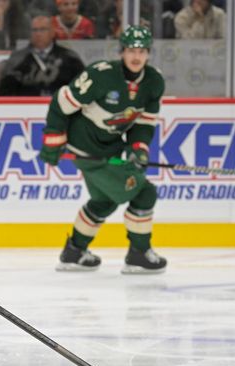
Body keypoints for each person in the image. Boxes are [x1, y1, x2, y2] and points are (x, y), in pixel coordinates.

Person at [40, 25, 167, 274]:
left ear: (149, 53)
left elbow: (142, 125)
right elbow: (61, 102)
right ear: (122, 51)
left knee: (104, 201)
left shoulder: (153, 82)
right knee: (144, 193)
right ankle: (139, 254)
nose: (136, 56)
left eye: (142, 50)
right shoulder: (102, 75)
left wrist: (138, 149)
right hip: (86, 148)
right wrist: (53, 138)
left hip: (110, 148)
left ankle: (74, 252)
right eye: (131, 49)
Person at [0, 14, 84, 96]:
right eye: (35, 30)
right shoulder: (17, 59)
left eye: (43, 29)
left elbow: (82, 89)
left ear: (52, 32)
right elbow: (5, 93)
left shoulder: (70, 58)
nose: (38, 34)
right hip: (25, 108)